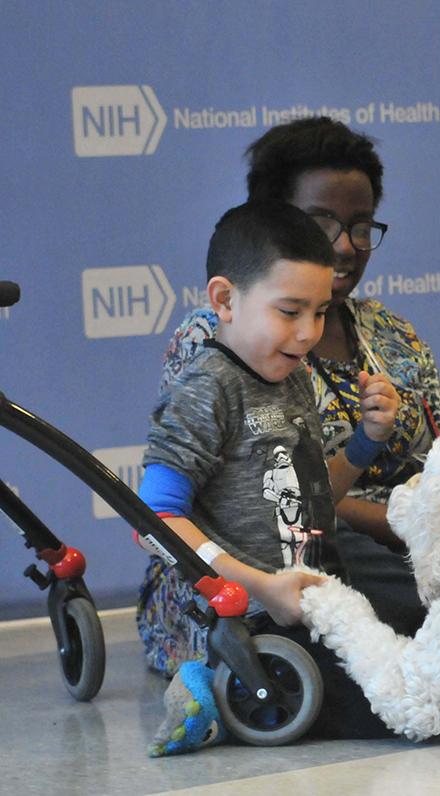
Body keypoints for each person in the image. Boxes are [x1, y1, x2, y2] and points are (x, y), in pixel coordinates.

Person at [152, 118, 440, 650]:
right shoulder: (214, 343)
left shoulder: (389, 331)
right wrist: (402, 521)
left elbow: (439, 452)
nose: (344, 246)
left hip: (399, 530)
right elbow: (223, 503)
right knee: (391, 583)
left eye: (361, 226)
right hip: (290, 557)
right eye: (321, 223)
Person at [137, 201, 400, 739]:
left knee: (432, 639)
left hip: (320, 597)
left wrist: (366, 443)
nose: (307, 333)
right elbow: (155, 519)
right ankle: (206, 686)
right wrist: (262, 585)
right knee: (392, 707)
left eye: (319, 312)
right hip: (256, 620)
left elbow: (311, 495)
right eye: (289, 311)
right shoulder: (207, 390)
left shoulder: (291, 376)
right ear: (224, 300)